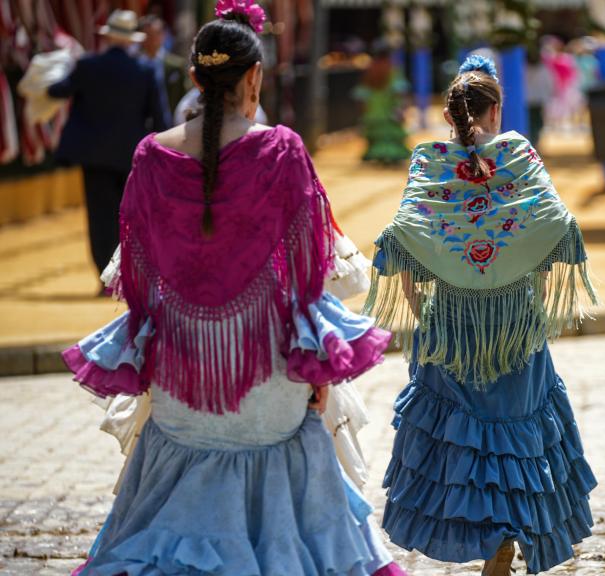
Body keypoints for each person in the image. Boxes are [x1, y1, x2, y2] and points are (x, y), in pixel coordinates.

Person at [61, 3, 403, 574]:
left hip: (181, 376)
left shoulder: (151, 155)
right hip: (268, 374)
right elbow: (307, 274)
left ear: (195, 79)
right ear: (255, 78)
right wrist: (318, 373)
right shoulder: (283, 149)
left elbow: (139, 278)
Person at [364, 55, 598, 576]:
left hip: (450, 327)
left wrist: (422, 316)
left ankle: (488, 536)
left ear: (450, 115)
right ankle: (507, 536)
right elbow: (555, 227)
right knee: (517, 434)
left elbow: (402, 238)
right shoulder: (519, 155)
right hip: (515, 324)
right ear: (495, 111)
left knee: (464, 441)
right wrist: (532, 297)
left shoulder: (430, 161)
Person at [48, 9, 168, 288]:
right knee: (130, 215)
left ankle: (106, 277)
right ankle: (129, 273)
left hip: (94, 156)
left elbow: (57, 91)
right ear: (131, 39)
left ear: (109, 37)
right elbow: (160, 119)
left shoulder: (87, 65)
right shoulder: (145, 70)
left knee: (99, 216)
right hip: (131, 157)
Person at [353, 41, 410, 165]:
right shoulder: (393, 70)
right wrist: (401, 109)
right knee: (390, 140)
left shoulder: (369, 71)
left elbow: (361, 96)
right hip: (389, 114)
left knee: (376, 139)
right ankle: (390, 158)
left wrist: (362, 114)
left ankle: (379, 157)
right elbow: (399, 92)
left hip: (372, 113)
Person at [139, 14, 190, 122]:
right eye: (148, 34)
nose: (153, 39)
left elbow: (183, 96)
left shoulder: (176, 65)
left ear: (163, 35)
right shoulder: (136, 65)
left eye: (157, 34)